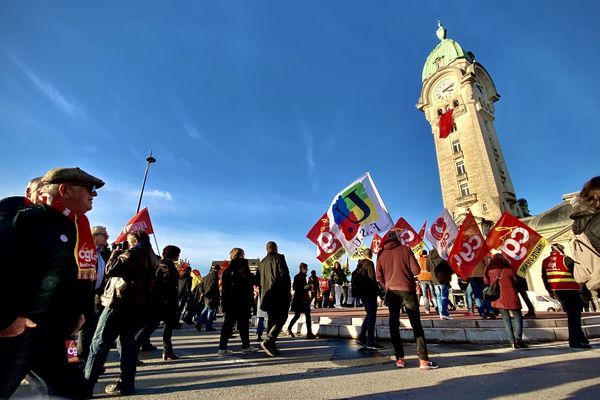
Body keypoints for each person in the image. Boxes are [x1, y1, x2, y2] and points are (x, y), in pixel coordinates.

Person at [0, 167, 104, 399]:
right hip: (20, 334)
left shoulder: (79, 229)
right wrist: (6, 318)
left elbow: (77, 278)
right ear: (64, 190)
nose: (94, 195)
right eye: (90, 189)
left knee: (74, 391)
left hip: (60, 337)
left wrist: (82, 313)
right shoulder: (28, 219)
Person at [84, 230, 158, 396]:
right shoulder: (152, 257)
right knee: (128, 347)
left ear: (134, 240)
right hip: (135, 306)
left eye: (129, 240)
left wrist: (116, 253)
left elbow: (111, 269)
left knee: (99, 344)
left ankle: (86, 385)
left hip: (118, 302)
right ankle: (127, 384)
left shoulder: (132, 253)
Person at [376, 232, 439, 369]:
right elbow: (416, 270)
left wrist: (387, 285)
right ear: (398, 239)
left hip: (391, 292)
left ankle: (399, 358)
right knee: (416, 323)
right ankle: (423, 360)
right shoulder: (405, 249)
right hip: (407, 290)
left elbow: (379, 276)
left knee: (394, 323)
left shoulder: (381, 254)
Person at [136, 245, 182, 360]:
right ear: (174, 255)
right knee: (151, 327)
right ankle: (132, 351)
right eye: (178, 254)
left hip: (161, 301)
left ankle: (168, 350)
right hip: (164, 302)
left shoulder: (160, 263)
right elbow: (164, 284)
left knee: (165, 326)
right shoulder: (166, 266)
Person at [542, 244, 590, 349]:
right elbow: (578, 275)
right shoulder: (566, 259)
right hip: (571, 290)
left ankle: (581, 337)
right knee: (574, 316)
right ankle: (575, 341)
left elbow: (544, 277)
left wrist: (549, 291)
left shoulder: (545, 261)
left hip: (557, 292)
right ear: (561, 250)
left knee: (571, 315)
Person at [77, 226, 112, 362]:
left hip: (92, 295)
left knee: (87, 328)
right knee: (73, 330)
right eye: (104, 235)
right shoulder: (84, 250)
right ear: (94, 236)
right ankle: (74, 358)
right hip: (80, 294)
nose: (107, 238)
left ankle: (81, 357)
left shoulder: (100, 254)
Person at [218, 248, 258, 355]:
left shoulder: (226, 271)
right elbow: (250, 281)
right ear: (240, 255)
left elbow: (224, 289)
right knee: (244, 324)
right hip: (242, 300)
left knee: (227, 325)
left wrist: (224, 304)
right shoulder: (243, 267)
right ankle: (246, 346)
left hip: (230, 301)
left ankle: (222, 348)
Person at [484, 252, 527, 349]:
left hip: (498, 296)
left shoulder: (489, 268)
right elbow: (516, 280)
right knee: (517, 316)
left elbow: (486, 281)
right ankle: (518, 339)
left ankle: (512, 341)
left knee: (506, 318)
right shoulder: (509, 267)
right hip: (511, 294)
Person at [257, 241, 291, 357]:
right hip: (279, 294)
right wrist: (288, 292)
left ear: (267, 249)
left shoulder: (261, 263)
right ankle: (269, 340)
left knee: (272, 319)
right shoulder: (279, 257)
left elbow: (257, 280)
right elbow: (285, 275)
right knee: (282, 317)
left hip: (266, 296)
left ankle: (270, 345)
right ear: (276, 248)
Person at [355, 249, 380, 349]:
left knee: (369, 314)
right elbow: (372, 279)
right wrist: (378, 292)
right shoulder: (369, 263)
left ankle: (361, 336)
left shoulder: (359, 264)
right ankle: (370, 340)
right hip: (370, 293)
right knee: (372, 315)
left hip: (362, 294)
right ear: (371, 255)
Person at [286, 263, 316, 339]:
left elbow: (304, 287)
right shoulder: (297, 277)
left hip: (304, 299)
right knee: (298, 315)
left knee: (306, 315)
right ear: (302, 268)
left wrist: (309, 286)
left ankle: (309, 332)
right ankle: (289, 329)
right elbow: (295, 287)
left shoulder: (303, 277)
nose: (307, 270)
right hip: (300, 299)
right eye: (306, 268)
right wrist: (306, 287)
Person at [427, 249, 454, 320]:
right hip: (443, 277)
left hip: (435, 278)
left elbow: (428, 269)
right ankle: (444, 313)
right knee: (444, 296)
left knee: (438, 296)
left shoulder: (429, 255)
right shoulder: (443, 252)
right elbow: (449, 266)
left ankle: (441, 313)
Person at [196, 264, 220, 331]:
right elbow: (211, 286)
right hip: (211, 296)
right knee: (210, 311)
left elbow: (200, 284)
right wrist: (206, 293)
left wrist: (202, 292)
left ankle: (199, 322)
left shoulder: (206, 276)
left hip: (206, 296)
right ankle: (208, 326)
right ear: (218, 270)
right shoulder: (215, 277)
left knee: (206, 308)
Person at [417, 250, 436, 314]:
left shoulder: (419, 259)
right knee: (433, 294)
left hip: (422, 279)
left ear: (422, 254)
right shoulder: (430, 259)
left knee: (425, 295)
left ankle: (427, 309)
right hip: (430, 278)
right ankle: (437, 309)